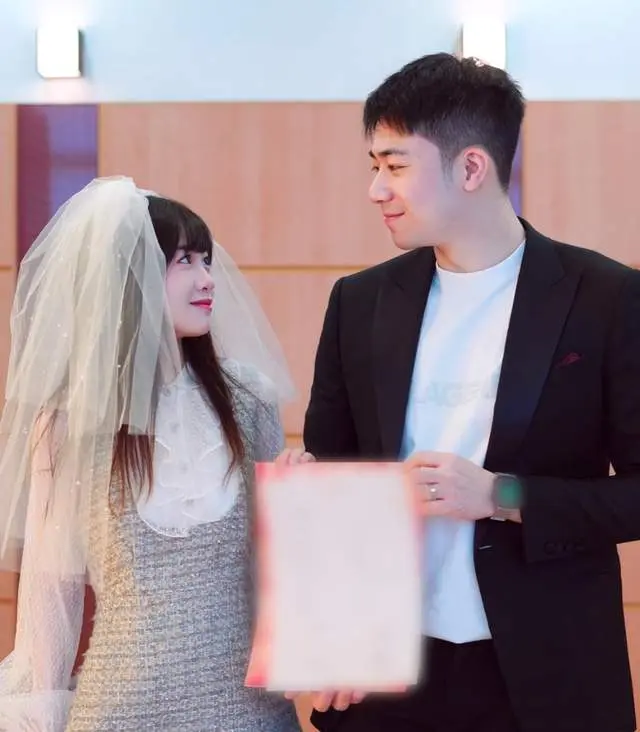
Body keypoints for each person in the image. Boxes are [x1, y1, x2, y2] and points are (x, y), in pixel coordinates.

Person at [299, 53, 640, 732]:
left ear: (472, 167)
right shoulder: (359, 302)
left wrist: (500, 496)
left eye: (395, 166)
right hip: (388, 670)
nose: (376, 189)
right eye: (374, 165)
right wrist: (333, 635)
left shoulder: (607, 299)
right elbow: (333, 477)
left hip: (546, 673)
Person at [0, 177, 301, 732]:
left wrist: (302, 497)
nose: (207, 279)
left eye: (206, 260)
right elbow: (52, 591)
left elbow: (279, 560)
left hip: (250, 711)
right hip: (120, 709)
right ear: (129, 276)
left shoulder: (249, 398)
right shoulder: (68, 422)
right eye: (184, 260)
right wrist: (42, 708)